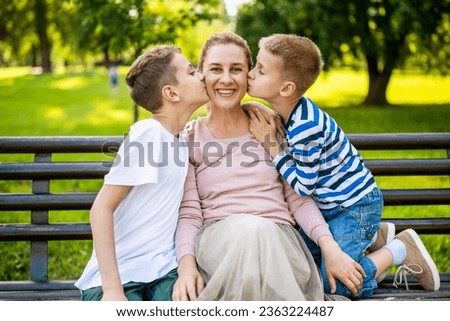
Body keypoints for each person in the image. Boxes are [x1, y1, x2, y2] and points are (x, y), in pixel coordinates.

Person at [172, 31, 363, 301]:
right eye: (216, 69)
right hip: (219, 245)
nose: (226, 78)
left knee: (257, 230)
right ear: (202, 73)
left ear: (247, 75)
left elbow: (298, 198)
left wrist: (329, 246)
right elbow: (190, 214)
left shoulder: (269, 127)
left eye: (236, 69)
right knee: (249, 231)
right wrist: (186, 266)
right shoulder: (190, 138)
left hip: (278, 240)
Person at [246, 33, 440, 298]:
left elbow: (303, 186)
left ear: (286, 89)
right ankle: (372, 237)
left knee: (333, 286)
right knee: (300, 269)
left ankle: (398, 249)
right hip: (330, 209)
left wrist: (272, 148)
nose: (250, 73)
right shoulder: (291, 111)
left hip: (352, 208)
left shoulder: (305, 127)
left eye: (260, 70)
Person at [75, 45, 209, 301]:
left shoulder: (178, 139)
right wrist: (113, 291)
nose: (201, 75)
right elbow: (101, 209)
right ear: (171, 93)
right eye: (191, 72)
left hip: (162, 272)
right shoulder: (149, 133)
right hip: (122, 277)